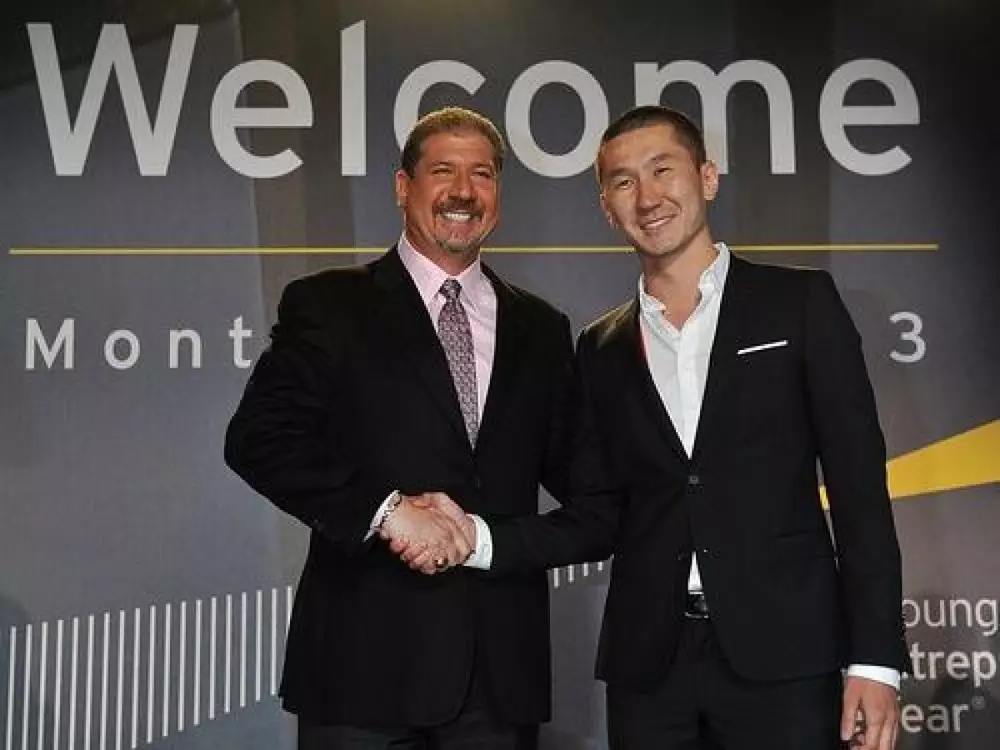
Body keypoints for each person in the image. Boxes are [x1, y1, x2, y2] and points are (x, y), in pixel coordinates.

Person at [397, 105, 909, 750]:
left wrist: (875, 661)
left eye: (663, 170)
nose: (647, 197)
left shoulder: (799, 304)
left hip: (786, 656)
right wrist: (475, 537)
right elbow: (598, 509)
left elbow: (860, 493)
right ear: (607, 210)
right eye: (623, 181)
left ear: (707, 177)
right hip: (649, 670)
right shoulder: (599, 347)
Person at [224, 106, 613, 750]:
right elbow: (259, 439)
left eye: (482, 174)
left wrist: (483, 541)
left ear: (498, 195)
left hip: (497, 684)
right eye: (443, 171)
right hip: (361, 673)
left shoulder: (542, 330)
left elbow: (595, 506)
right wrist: (388, 512)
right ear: (403, 187)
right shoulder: (329, 304)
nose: (464, 191)